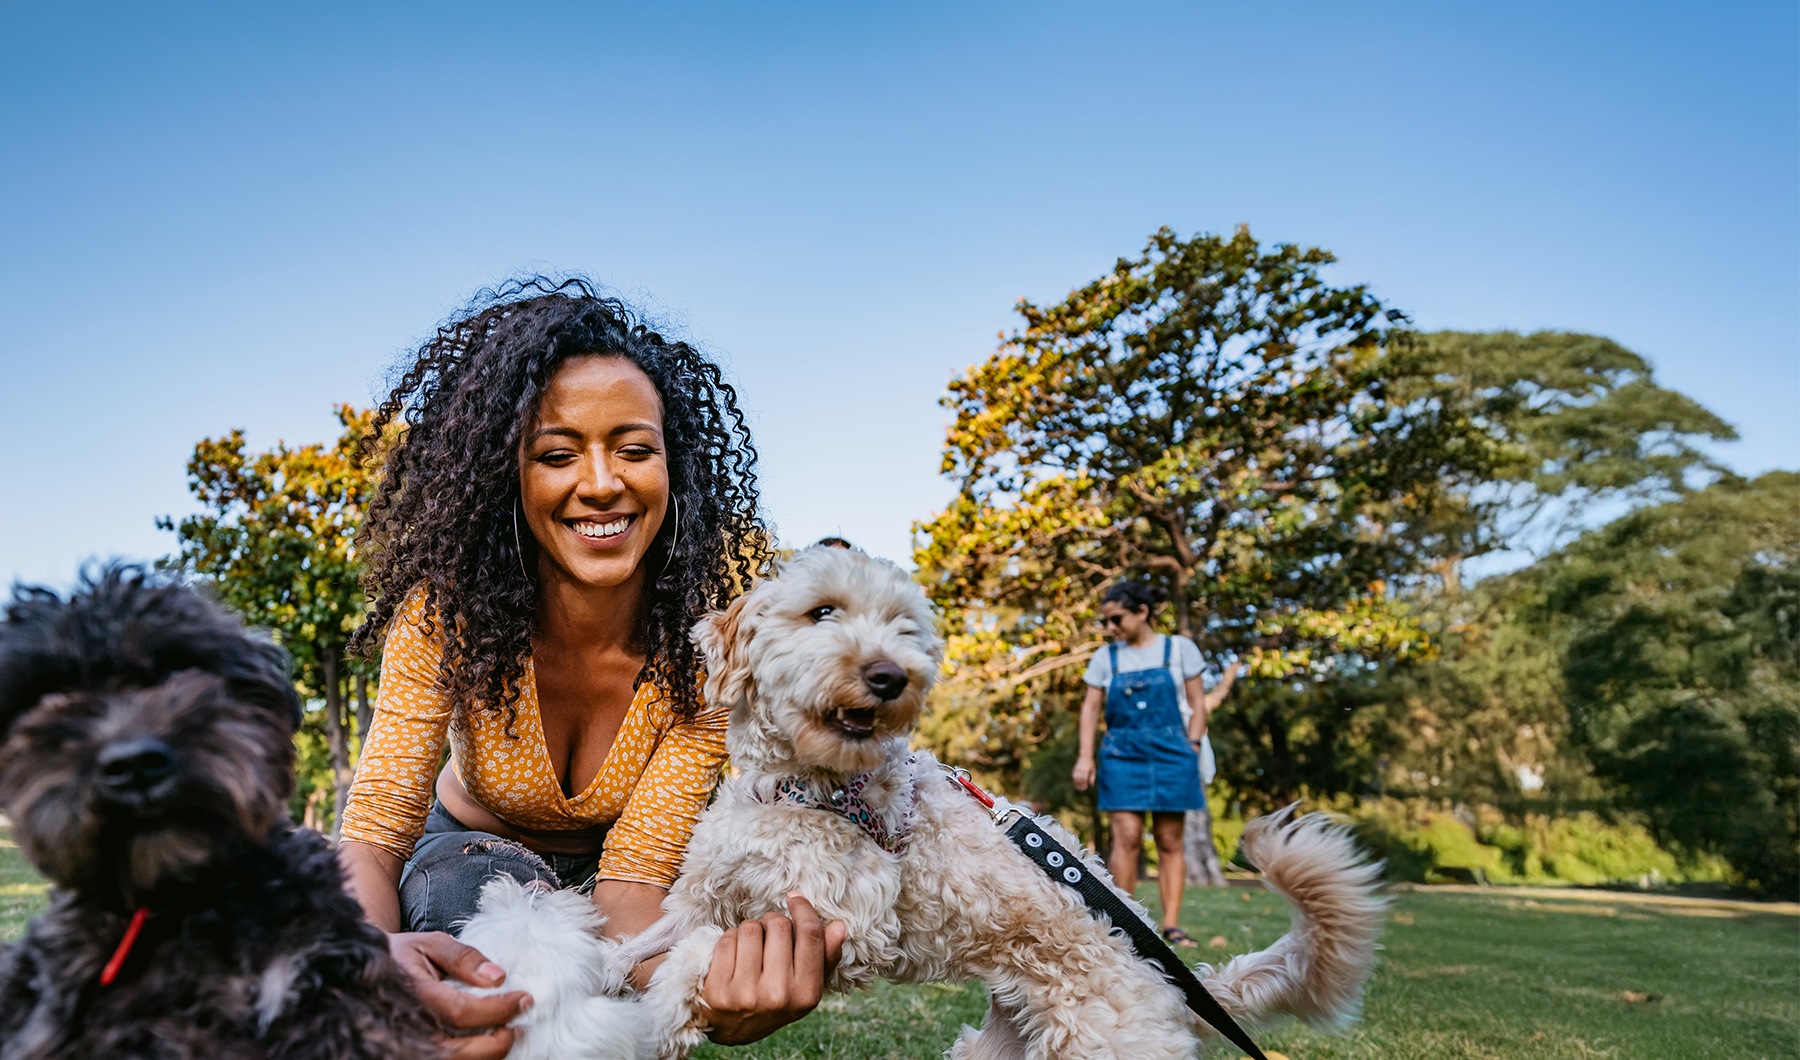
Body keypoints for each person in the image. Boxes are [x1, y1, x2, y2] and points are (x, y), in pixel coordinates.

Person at [336, 278, 845, 1059]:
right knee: (514, 948)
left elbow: (633, 882)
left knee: (612, 986)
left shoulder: (704, 648)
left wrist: (698, 990)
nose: (602, 482)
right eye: (557, 454)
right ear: (509, 475)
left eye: (634, 449)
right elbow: (373, 834)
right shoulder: (448, 615)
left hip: (624, 877)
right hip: (466, 858)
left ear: (676, 470)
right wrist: (367, 964)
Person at [1070, 581, 1239, 948]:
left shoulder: (1178, 650)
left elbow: (1197, 703)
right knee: (1127, 837)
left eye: (1117, 619)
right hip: (1121, 753)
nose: (1111, 627)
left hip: (1172, 751)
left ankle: (1172, 926)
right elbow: (1090, 709)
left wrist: (1193, 744)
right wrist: (1085, 756)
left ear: (1142, 612)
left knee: (1168, 839)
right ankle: (1126, 924)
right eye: (1107, 621)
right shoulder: (1106, 658)